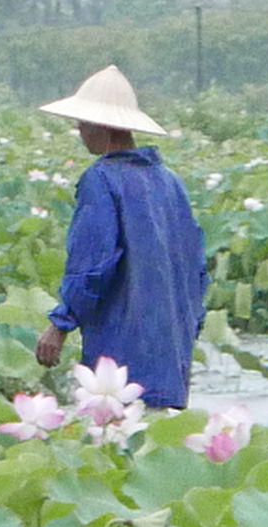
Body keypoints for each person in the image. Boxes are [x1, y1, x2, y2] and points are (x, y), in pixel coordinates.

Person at [34, 65, 207, 409]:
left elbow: (93, 265)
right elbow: (197, 272)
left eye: (83, 123)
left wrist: (61, 324)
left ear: (101, 126)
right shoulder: (172, 183)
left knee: (115, 446)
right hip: (170, 359)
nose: (79, 131)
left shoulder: (101, 180)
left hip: (119, 356)